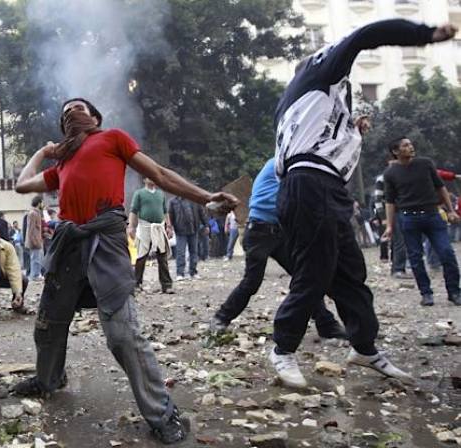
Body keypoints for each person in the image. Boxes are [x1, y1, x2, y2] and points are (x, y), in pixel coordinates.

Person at [12, 97, 238, 444]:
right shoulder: (62, 165)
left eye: (79, 107)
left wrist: (205, 198)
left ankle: (161, 413)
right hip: (69, 246)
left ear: (95, 118)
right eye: (65, 112)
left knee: (123, 334)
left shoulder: (113, 138)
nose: (71, 111)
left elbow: (159, 174)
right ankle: (48, 380)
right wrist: (44, 153)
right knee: (47, 327)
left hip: (107, 240)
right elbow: (21, 185)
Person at [270, 18, 456, 388]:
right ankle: (282, 348)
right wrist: (424, 35)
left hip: (325, 188)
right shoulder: (318, 71)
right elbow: (366, 35)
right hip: (309, 186)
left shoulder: (308, 105)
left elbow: (324, 142)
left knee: (351, 273)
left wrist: (353, 132)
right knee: (314, 272)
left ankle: (365, 347)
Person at [210, 158, 346, 340]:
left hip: (280, 231)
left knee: (305, 278)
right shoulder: (286, 163)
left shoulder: (290, 164)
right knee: (252, 281)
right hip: (260, 230)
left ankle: (326, 325)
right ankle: (220, 318)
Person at [382, 137, 461, 306]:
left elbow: (441, 188)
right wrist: (389, 226)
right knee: (416, 258)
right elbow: (390, 201)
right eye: (405, 145)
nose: (410, 147)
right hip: (409, 218)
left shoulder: (425, 164)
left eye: (410, 144)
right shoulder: (390, 174)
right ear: (396, 152)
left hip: (433, 215)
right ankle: (426, 293)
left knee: (447, 253)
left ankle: (454, 291)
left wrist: (451, 211)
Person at [128, 177, 174, 294]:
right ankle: (136, 284)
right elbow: (133, 211)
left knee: (162, 256)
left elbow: (165, 211)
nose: (152, 179)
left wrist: (168, 226)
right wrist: (131, 227)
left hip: (159, 228)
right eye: (149, 176)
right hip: (144, 227)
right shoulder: (139, 193)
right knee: (141, 257)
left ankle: (166, 285)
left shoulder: (160, 194)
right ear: (144, 179)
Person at [0, 226, 28, 312]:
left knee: (23, 279)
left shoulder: (7, 247)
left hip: (1, 277)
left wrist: (18, 292)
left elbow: (13, 269)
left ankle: (17, 304)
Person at [168, 196, 207, 280]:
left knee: (194, 252)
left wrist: (206, 225)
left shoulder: (195, 199)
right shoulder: (173, 201)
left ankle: (193, 272)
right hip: (180, 230)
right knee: (180, 252)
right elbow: (170, 215)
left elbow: (201, 212)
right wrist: (169, 227)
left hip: (194, 229)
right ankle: (180, 273)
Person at [25, 196, 45, 281]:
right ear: (39, 203)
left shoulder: (36, 213)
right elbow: (31, 228)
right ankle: (35, 275)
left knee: (37, 258)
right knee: (35, 259)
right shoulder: (33, 213)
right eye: (42, 202)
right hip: (35, 240)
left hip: (37, 239)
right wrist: (33, 240)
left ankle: (36, 274)